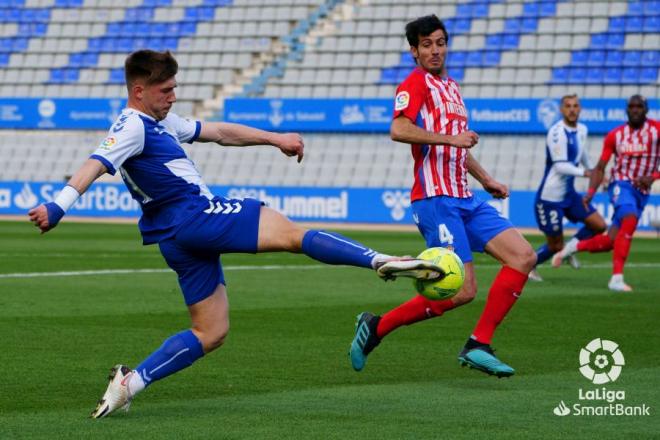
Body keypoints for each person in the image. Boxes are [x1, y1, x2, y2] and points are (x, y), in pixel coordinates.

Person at [27, 50, 445, 418]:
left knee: (211, 332)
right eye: (166, 89)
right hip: (193, 215)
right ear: (139, 91)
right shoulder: (132, 125)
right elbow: (96, 162)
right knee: (290, 232)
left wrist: (273, 138)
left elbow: (221, 133)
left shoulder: (160, 122)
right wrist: (58, 206)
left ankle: (129, 384)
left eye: (174, 88)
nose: (173, 96)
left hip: (176, 239)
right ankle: (380, 261)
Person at [348, 15, 537, 378]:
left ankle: (478, 343)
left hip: (465, 197)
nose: (435, 50)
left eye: (440, 42)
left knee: (523, 257)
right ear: (414, 51)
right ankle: (377, 327)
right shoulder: (414, 83)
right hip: (436, 199)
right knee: (464, 290)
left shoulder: (451, 87)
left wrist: (486, 179)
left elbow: (459, 148)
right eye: (427, 45)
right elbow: (398, 128)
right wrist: (452, 140)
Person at [552, 95, 659, 292]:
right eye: (631, 107)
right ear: (627, 110)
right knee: (629, 217)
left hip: (642, 192)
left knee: (610, 241)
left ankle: (571, 248)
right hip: (620, 185)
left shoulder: (656, 130)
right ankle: (616, 279)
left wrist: (654, 176)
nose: (635, 110)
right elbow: (600, 167)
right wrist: (591, 192)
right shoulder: (615, 135)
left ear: (646, 110)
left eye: (639, 106)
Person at [528, 94, 607, 282]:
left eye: (575, 106)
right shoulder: (556, 133)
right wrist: (586, 173)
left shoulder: (582, 130)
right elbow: (560, 166)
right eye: (568, 106)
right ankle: (530, 267)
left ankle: (569, 249)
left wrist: (595, 171)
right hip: (550, 198)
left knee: (599, 225)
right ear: (561, 110)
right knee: (554, 245)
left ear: (580, 109)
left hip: (569, 194)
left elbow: (582, 153)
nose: (572, 109)